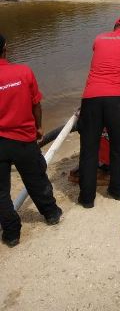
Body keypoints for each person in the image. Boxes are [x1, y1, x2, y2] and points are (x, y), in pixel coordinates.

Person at [0, 33, 62, 247]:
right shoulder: (23, 72)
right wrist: (38, 128)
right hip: (24, 139)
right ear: (5, 48)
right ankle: (51, 213)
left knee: (1, 193)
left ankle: (11, 234)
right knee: (36, 179)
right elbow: (36, 104)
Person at [78, 16, 120, 207]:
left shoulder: (99, 38)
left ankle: (87, 198)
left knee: (89, 149)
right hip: (118, 98)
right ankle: (117, 191)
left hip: (92, 96)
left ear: (114, 28)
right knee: (118, 146)